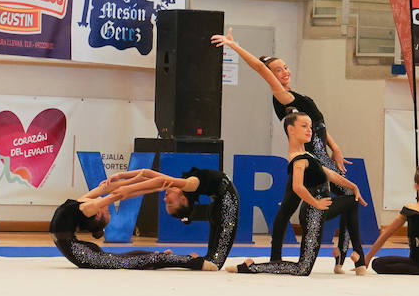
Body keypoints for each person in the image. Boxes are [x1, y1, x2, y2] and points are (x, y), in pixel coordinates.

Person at [210, 29, 355, 269]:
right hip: (311, 161)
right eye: (278, 70)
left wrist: (336, 147)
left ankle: (277, 256)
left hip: (313, 158)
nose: (284, 72)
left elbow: (317, 125)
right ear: (271, 75)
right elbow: (258, 67)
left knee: (288, 206)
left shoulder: (294, 98)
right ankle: (345, 253)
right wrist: (233, 46)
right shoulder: (282, 97)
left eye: (285, 68)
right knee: (349, 195)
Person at [227, 111, 369, 275]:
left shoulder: (307, 155)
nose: (309, 130)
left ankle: (356, 254)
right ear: (291, 130)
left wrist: (353, 186)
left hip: (317, 212)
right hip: (313, 214)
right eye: (304, 126)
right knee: (302, 268)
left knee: (352, 201)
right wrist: (316, 203)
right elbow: (297, 187)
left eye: (310, 126)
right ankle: (250, 267)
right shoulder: (298, 158)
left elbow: (330, 174)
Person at [48, 179, 216, 271]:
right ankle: (191, 262)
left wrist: (138, 179)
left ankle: (160, 256)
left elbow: (109, 190)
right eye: (107, 212)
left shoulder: (81, 204)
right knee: (128, 261)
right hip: (82, 255)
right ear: (97, 213)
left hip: (80, 253)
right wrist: (149, 185)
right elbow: (118, 194)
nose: (108, 209)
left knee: (125, 258)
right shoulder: (87, 208)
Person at [91, 166, 240, 268]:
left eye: (166, 203)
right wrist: (123, 181)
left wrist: (122, 181)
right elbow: (150, 177)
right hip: (223, 201)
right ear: (182, 200)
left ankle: (193, 261)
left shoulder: (187, 184)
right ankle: (194, 260)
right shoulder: (188, 185)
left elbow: (150, 177)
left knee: (214, 262)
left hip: (225, 201)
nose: (165, 199)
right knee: (211, 260)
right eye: (170, 203)